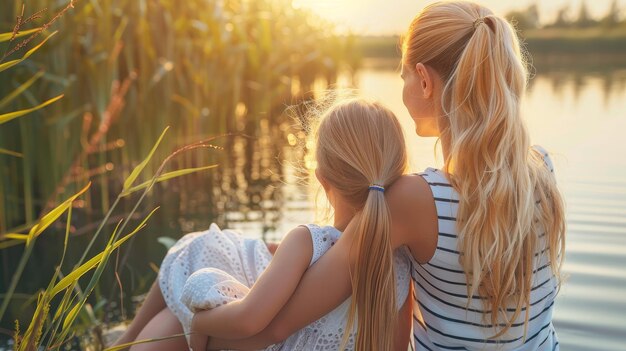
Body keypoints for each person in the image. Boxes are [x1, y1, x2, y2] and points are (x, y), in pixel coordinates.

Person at [201, 1, 566, 350]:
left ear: (424, 81)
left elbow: (280, 324)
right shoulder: (541, 168)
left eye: (403, 75)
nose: (403, 86)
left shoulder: (414, 199)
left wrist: (197, 330)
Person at [112, 98, 414, 351]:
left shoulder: (308, 241)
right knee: (205, 248)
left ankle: (124, 340)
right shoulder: (400, 265)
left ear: (322, 178)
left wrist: (198, 322)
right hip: (272, 309)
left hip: (260, 340)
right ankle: (125, 340)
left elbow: (248, 322)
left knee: (196, 252)